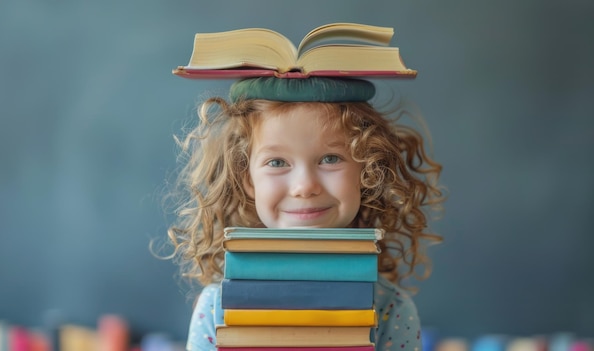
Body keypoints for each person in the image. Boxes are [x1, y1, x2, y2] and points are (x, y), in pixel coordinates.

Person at [163, 76, 445, 351]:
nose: (304, 186)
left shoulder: (389, 307)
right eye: (277, 162)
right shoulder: (217, 306)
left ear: (368, 170)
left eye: (330, 159)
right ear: (248, 180)